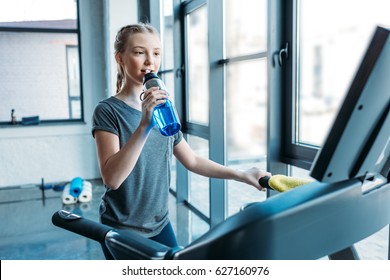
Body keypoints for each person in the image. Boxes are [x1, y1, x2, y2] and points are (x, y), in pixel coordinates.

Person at [91, 23, 271, 259]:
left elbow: (193, 160)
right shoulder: (108, 111)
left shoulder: (165, 107)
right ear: (120, 58)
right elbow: (112, 179)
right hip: (122, 227)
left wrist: (242, 174)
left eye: (156, 53)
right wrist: (145, 125)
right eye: (139, 52)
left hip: (159, 223)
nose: (150, 61)